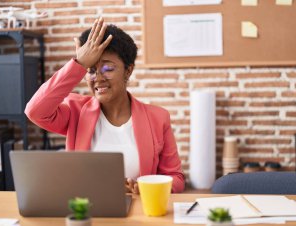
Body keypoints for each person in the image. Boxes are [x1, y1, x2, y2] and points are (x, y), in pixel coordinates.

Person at [25, 17, 185, 193]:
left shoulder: (158, 118)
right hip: (88, 209)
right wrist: (78, 64)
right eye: (91, 70)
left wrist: (146, 188)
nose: (98, 78)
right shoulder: (75, 111)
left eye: (108, 69)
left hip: (138, 211)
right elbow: (35, 111)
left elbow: (176, 178)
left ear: (128, 70)